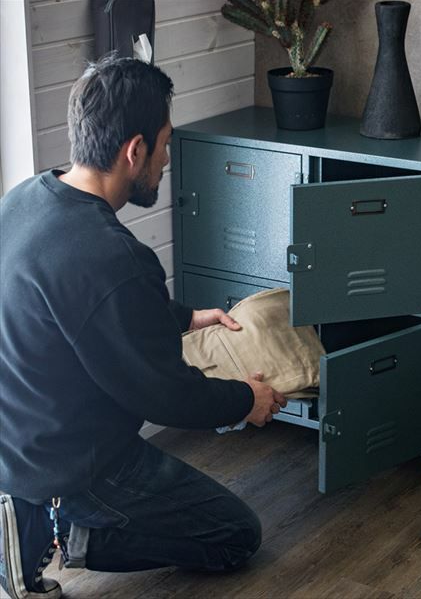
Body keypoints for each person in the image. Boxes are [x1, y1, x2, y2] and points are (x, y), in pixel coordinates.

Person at [0, 55, 286, 599]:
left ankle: (30, 512)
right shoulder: (113, 257)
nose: (167, 158)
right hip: (74, 461)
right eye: (165, 143)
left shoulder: (24, 199)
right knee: (235, 535)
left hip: (14, 438)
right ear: (135, 151)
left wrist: (186, 317)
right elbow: (167, 396)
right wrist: (244, 400)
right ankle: (61, 529)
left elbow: (92, 311)